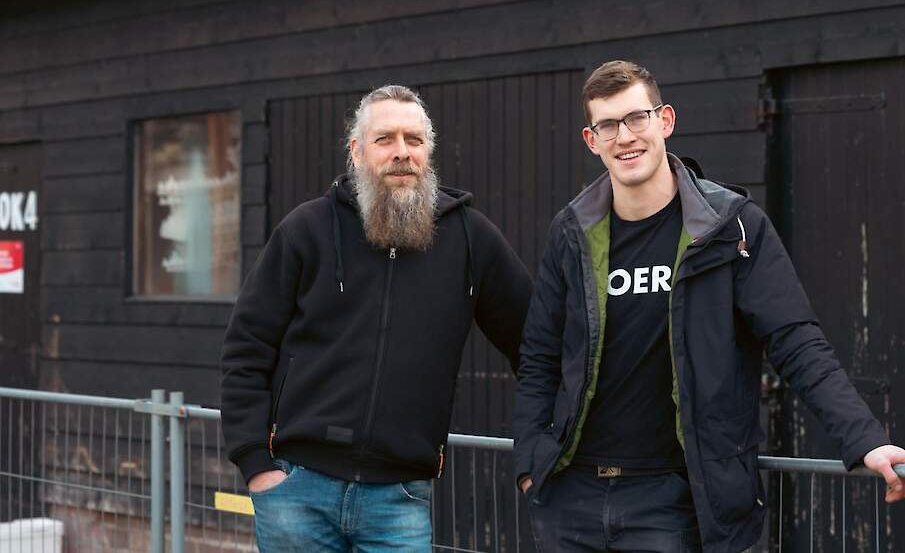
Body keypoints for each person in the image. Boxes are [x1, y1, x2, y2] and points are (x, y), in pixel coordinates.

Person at [512, 60, 905, 553]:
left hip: (674, 502)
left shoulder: (732, 228)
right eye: (607, 125)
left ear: (665, 121)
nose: (625, 136)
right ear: (591, 140)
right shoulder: (571, 233)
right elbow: (540, 356)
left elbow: (795, 340)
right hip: (571, 499)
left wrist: (864, 438)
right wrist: (531, 463)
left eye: (637, 118)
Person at [221, 84, 532, 552]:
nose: (401, 153)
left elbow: (536, 346)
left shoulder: (472, 240)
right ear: (357, 151)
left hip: (399, 498)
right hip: (296, 489)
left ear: (428, 151)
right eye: (385, 139)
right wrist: (256, 465)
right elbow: (248, 346)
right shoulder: (306, 230)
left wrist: (539, 452)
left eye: (414, 139)